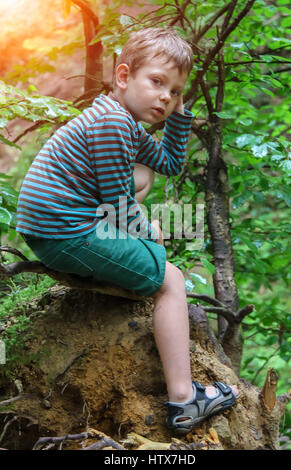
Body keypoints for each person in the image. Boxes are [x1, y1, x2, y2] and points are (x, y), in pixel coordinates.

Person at [16, 28, 238, 434]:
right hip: (66, 231)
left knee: (145, 182)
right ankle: (185, 400)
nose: (165, 98)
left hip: (59, 225)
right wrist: (149, 231)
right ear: (123, 77)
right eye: (156, 82)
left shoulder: (121, 121)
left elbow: (170, 161)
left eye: (174, 91)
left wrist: (181, 113)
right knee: (170, 278)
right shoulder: (113, 125)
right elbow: (118, 207)